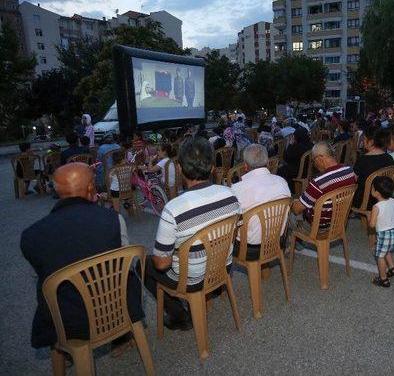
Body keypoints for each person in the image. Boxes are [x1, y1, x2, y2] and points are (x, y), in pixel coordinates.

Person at [20, 163, 141, 351]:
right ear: (91, 187)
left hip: (66, 321)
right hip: (116, 308)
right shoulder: (112, 219)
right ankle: (122, 336)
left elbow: (43, 278)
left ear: (56, 190)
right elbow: (128, 263)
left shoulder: (31, 236)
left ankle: (65, 353)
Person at [143, 137, 241, 330]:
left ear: (179, 168)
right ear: (213, 167)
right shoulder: (230, 195)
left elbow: (162, 263)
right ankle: (211, 292)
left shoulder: (173, 209)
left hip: (192, 278)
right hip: (222, 267)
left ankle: (180, 316)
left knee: (143, 263)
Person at [231, 144, 291, 260]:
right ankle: (265, 270)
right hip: (277, 240)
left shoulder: (237, 189)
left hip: (250, 248)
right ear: (268, 163)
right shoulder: (281, 181)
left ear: (245, 166)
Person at [291, 141, 356, 230]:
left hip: (318, 227)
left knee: (286, 215)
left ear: (319, 158)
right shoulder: (350, 171)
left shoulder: (318, 182)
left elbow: (297, 209)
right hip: (340, 222)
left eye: (313, 161)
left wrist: (290, 203)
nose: (314, 164)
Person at [369, 176, 394, 288]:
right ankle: (392, 268)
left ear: (377, 193)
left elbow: (372, 224)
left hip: (384, 235)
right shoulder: (392, 200)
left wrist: (370, 219)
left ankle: (383, 279)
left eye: (372, 189)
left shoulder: (376, 207)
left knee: (380, 257)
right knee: (387, 251)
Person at [352, 127, 394, 209]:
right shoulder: (389, 158)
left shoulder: (363, 159)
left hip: (365, 200)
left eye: (364, 139)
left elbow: (353, 179)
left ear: (371, 142)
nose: (363, 142)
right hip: (384, 196)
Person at [277, 127, 313, 193]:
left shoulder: (297, 147)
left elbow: (285, 157)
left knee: (280, 170)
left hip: (299, 172)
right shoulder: (312, 145)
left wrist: (290, 144)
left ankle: (290, 190)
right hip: (310, 170)